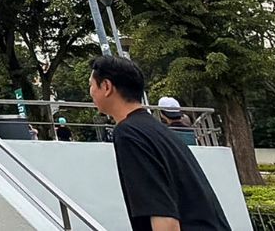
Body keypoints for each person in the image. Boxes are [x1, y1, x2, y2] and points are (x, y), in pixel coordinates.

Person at [89, 56, 232, 231]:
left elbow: (165, 220)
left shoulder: (129, 133)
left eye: (91, 85)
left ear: (106, 87)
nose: (91, 92)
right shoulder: (157, 129)